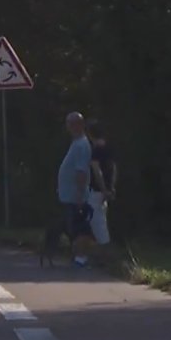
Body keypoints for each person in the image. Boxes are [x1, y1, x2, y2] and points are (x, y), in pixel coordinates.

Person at [57, 112, 94, 267]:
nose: (70, 127)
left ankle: (82, 258)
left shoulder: (81, 145)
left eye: (73, 124)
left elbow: (81, 171)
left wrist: (79, 194)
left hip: (76, 196)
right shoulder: (76, 143)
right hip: (69, 195)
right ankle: (78, 256)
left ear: (80, 125)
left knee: (79, 227)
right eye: (68, 124)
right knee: (72, 226)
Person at [86, 119, 117, 250]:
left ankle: (104, 250)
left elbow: (96, 170)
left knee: (95, 220)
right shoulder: (109, 148)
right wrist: (111, 187)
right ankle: (104, 249)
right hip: (108, 188)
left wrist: (103, 188)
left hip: (97, 189)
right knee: (102, 217)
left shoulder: (95, 150)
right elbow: (114, 168)